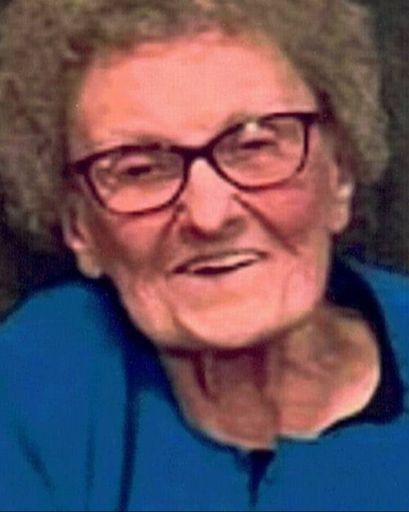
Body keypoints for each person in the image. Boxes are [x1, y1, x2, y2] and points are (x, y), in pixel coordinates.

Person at [0, 0, 408, 510]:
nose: (209, 216)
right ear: (79, 226)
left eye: (254, 146)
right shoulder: (34, 381)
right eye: (139, 170)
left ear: (340, 175)